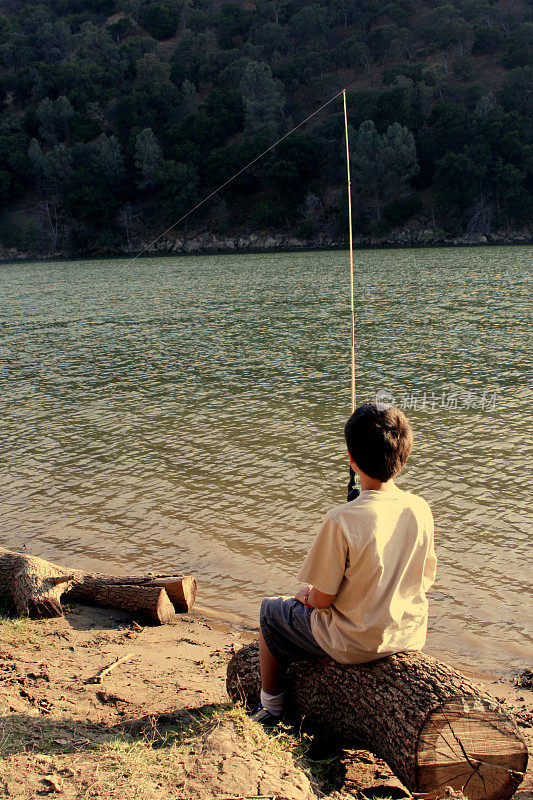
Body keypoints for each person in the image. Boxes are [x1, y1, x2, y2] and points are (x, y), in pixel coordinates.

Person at [251, 402, 437, 726]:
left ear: (351, 459)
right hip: (408, 634)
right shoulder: (420, 509)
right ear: (404, 458)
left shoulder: (341, 519)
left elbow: (323, 600)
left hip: (355, 643)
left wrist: (306, 596)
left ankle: (271, 706)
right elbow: (425, 578)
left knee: (271, 612)